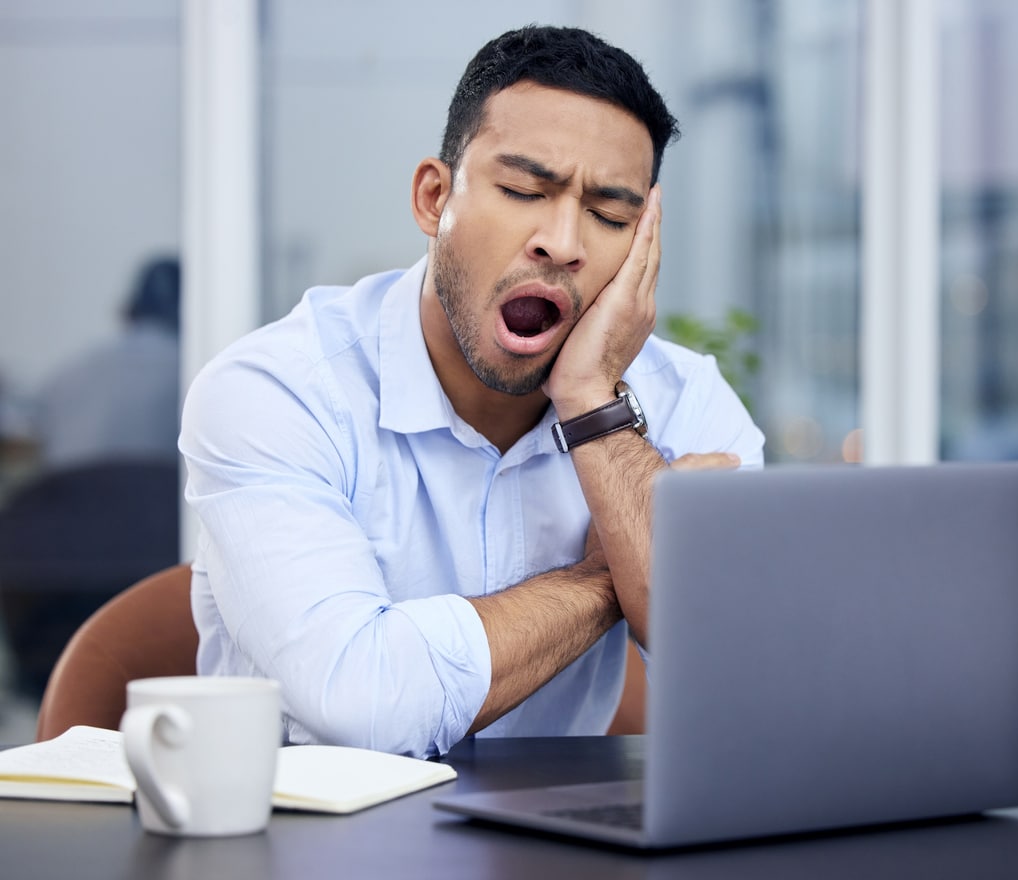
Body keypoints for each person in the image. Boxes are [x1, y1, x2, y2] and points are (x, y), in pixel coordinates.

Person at [179, 25, 765, 759]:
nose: (562, 241)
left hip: (558, 855)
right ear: (433, 198)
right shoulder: (277, 391)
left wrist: (591, 400)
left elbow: (749, 679)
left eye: (610, 216)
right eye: (524, 190)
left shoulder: (685, 402)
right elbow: (363, 706)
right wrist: (608, 575)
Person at [34, 257, 182, 469]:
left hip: (69, 498)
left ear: (126, 310)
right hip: (152, 497)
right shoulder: (193, 372)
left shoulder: (68, 371)